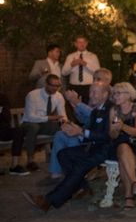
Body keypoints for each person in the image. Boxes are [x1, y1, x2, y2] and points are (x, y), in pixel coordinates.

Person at [23, 81, 112, 212]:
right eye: (90, 92)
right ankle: (81, 186)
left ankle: (48, 201)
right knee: (63, 154)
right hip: (93, 147)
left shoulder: (110, 110)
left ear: (105, 94)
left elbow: (107, 136)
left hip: (106, 150)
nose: (91, 95)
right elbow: (89, 131)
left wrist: (81, 132)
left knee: (79, 167)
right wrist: (74, 131)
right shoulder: (96, 110)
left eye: (94, 92)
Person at [109, 82, 136, 209]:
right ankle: (135, 182)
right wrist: (114, 130)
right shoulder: (114, 110)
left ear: (128, 94)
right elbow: (112, 136)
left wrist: (123, 126)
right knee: (122, 147)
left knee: (123, 159)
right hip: (118, 145)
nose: (115, 96)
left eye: (118, 93)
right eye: (114, 94)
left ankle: (129, 196)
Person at [21, 74, 67, 172]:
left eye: (57, 86)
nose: (55, 88)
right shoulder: (33, 95)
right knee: (34, 127)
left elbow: (62, 114)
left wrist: (65, 122)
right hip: (28, 123)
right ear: (46, 84)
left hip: (45, 124)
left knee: (63, 129)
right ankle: (30, 161)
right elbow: (30, 117)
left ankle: (62, 157)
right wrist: (49, 118)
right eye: (52, 85)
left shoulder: (59, 96)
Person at [61, 36, 100, 103]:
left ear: (87, 43)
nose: (82, 44)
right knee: (74, 108)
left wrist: (85, 64)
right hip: (74, 87)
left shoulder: (93, 56)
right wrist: (72, 65)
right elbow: (64, 72)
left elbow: (98, 72)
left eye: (84, 42)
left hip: (88, 87)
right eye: (79, 42)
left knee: (88, 108)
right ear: (75, 44)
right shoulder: (70, 56)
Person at [0, 92, 27, 175]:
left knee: (18, 131)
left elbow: (6, 115)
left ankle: (14, 166)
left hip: (3, 130)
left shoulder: (2, 97)